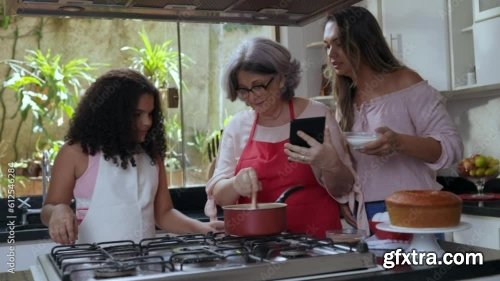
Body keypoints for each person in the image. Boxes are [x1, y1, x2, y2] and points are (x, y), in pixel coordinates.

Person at [41, 68, 223, 245]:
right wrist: (58, 210)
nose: (147, 122)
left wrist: (203, 229)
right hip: (91, 268)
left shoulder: (151, 154)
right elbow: (48, 209)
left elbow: (163, 214)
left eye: (150, 114)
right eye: (137, 114)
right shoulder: (75, 153)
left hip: (145, 267)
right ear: (111, 115)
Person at [204, 37, 360, 239]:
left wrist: (331, 164)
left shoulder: (313, 115)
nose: (252, 96)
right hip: (257, 243)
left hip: (316, 241)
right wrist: (235, 184)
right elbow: (219, 195)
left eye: (259, 85)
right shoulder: (238, 126)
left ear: (282, 78)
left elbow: (344, 187)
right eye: (244, 90)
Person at [323, 6, 463, 220]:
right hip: (362, 214)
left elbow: (452, 147)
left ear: (366, 41)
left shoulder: (406, 82)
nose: (331, 54)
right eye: (327, 46)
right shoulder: (344, 99)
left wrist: (398, 142)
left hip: (413, 208)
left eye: (339, 44)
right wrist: (346, 199)